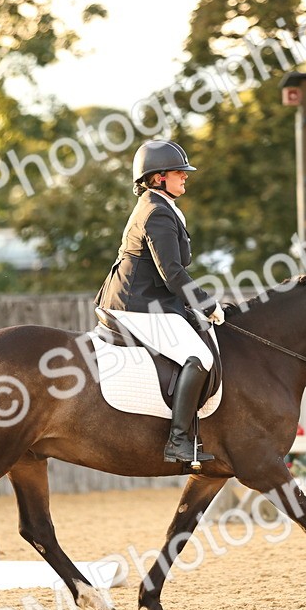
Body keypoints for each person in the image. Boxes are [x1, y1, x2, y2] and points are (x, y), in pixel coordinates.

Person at [94, 140, 224, 466]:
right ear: (158, 177)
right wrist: (206, 304)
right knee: (198, 357)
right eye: (180, 172)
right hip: (134, 303)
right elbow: (172, 272)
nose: (186, 177)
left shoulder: (162, 207)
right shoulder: (155, 213)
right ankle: (179, 442)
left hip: (149, 299)